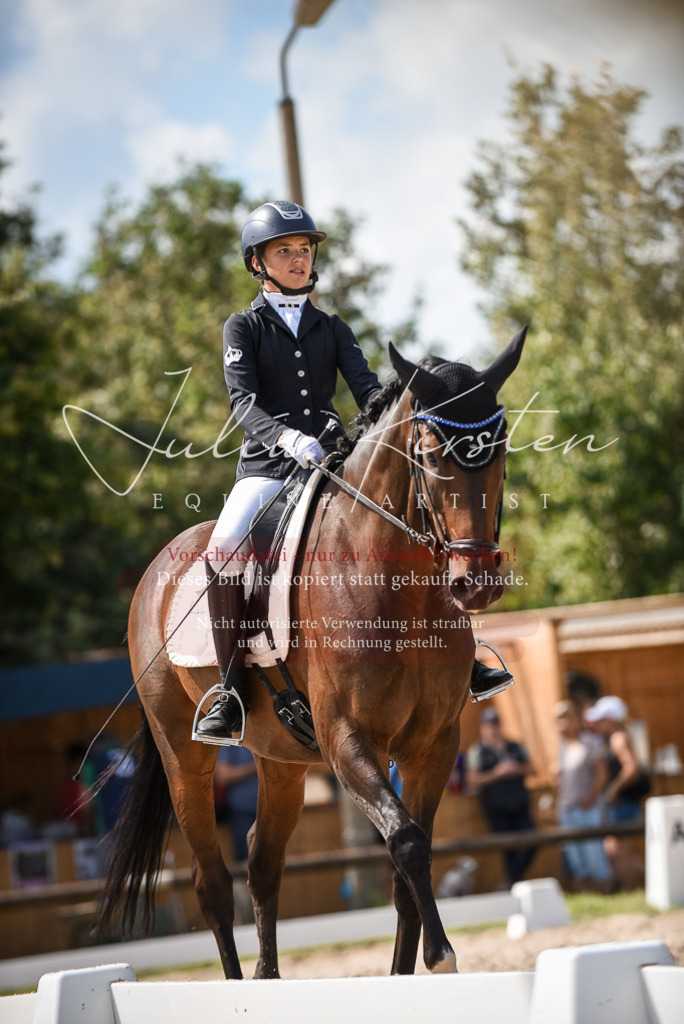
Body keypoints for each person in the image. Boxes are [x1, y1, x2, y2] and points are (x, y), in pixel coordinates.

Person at [196, 200, 518, 743]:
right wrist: (287, 437)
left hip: (331, 459)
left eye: (304, 250)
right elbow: (242, 404)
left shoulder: (332, 327)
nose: (298, 260)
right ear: (258, 263)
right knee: (222, 545)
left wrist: (396, 421)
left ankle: (467, 655)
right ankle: (228, 690)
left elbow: (368, 392)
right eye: (285, 252)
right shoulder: (242, 327)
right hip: (268, 467)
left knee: (418, 525)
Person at [466, 707, 537, 887]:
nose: (494, 729)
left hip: (520, 805)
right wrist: (497, 773)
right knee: (507, 848)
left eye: (496, 724)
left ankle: (512, 881)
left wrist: (516, 769)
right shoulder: (477, 751)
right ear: (483, 727)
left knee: (533, 840)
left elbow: (532, 770)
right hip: (496, 809)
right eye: (490, 725)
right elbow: (473, 780)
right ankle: (514, 883)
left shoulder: (515, 746)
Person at [584, 695, 649, 889]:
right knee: (612, 850)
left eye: (601, 720)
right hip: (622, 803)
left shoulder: (618, 738)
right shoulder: (616, 737)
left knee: (620, 852)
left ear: (610, 720)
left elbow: (631, 768)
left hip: (624, 803)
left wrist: (613, 789)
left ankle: (631, 891)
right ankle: (657, 879)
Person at [551, 699, 612, 892]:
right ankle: (587, 900)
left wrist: (590, 798)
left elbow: (602, 775)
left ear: (575, 719)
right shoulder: (563, 747)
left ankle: (606, 894)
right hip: (567, 811)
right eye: (559, 719)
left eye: (566, 718)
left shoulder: (590, 743)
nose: (563, 724)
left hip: (586, 809)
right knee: (577, 862)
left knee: (595, 858)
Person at [214, 746, 259, 862]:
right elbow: (223, 775)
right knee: (246, 861)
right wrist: (257, 765)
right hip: (243, 809)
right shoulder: (230, 738)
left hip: (268, 808)